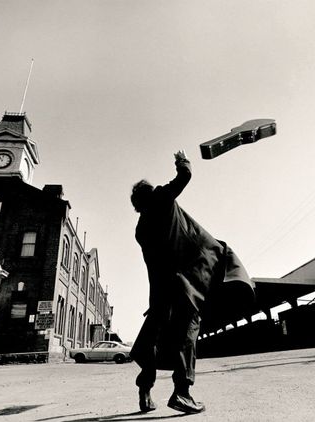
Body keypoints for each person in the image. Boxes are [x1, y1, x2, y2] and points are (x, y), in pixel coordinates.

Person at [130, 150, 253, 414]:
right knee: (188, 334)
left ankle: (145, 389)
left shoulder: (140, 230)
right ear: (149, 194)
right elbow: (184, 176)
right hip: (183, 286)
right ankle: (182, 393)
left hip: (160, 291)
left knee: (153, 338)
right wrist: (181, 159)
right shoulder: (161, 199)